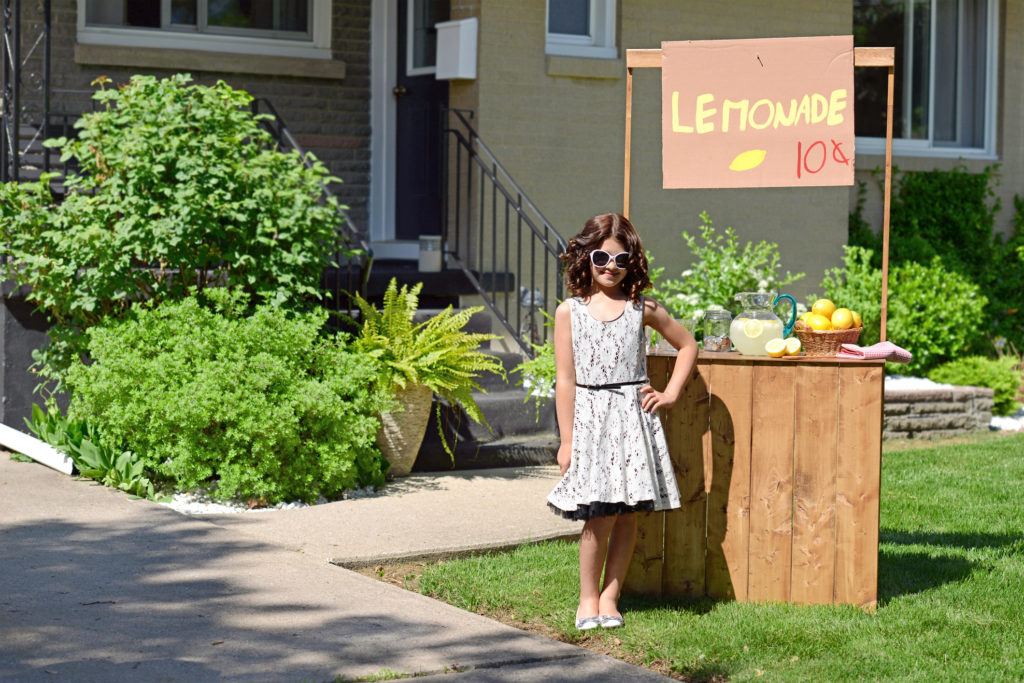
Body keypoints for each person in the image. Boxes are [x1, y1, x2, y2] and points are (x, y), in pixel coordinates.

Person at [546, 212, 698, 631]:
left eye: (620, 259)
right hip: (592, 423)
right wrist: (567, 441)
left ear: (633, 262)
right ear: (585, 258)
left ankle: (611, 598)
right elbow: (565, 380)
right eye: (600, 257)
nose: (610, 267)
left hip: (633, 420)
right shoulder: (569, 312)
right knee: (598, 514)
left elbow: (687, 344)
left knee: (628, 513)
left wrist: (670, 394)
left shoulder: (642, 308)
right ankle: (587, 599)